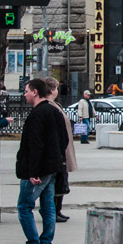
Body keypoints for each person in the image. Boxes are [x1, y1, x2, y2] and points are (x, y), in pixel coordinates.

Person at [13, 78, 66, 244]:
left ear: (35, 92)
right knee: (48, 207)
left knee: (24, 206)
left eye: (27, 91)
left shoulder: (37, 114)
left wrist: (33, 172)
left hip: (38, 169)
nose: (25, 94)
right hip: (52, 167)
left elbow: (35, 144)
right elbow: (64, 140)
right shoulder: (55, 111)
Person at [46, 77, 76, 223]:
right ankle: (53, 211)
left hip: (63, 149)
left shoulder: (55, 105)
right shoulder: (49, 106)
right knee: (57, 183)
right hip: (59, 151)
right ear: (52, 90)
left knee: (61, 182)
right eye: (56, 88)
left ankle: (58, 210)